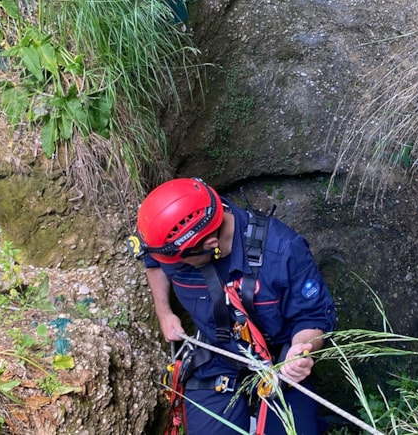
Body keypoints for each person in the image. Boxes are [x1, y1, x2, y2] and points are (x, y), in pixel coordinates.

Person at [134, 177, 336, 435]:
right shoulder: (173, 240)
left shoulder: (283, 251)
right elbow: (153, 260)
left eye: (180, 259)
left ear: (210, 244)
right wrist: (164, 312)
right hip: (217, 356)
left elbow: (313, 317)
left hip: (280, 361)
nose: (175, 264)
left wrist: (302, 350)